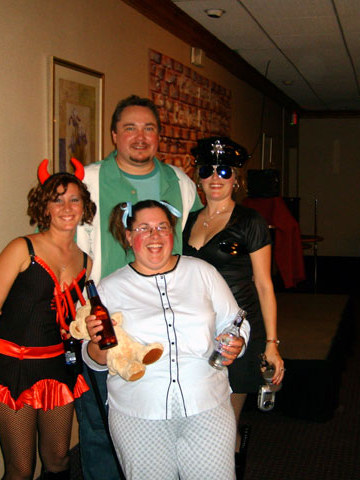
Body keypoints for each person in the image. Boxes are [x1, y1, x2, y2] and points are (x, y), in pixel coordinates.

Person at [74, 95, 202, 479]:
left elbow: (199, 239)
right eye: (129, 128)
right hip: (106, 326)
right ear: (114, 135)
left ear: (159, 136)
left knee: (166, 428)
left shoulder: (181, 184)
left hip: (167, 330)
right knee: (100, 432)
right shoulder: (88, 182)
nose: (140, 136)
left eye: (149, 128)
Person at [82, 200, 249, 480]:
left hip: (207, 406)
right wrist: (98, 345)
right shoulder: (109, 289)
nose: (155, 235)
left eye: (162, 227)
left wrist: (237, 343)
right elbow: (95, 361)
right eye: (143, 228)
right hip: (139, 415)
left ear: (172, 232)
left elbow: (236, 321)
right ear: (128, 236)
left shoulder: (202, 272)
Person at [0, 159, 96, 480]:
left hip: (57, 368)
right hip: (13, 369)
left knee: (58, 459)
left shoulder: (86, 262)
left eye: (74, 199)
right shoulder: (22, 248)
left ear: (84, 206)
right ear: (45, 207)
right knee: (21, 469)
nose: (66, 207)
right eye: (57, 200)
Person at [181, 136, 284, 477]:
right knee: (202, 418)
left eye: (224, 170)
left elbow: (264, 285)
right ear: (198, 176)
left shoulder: (250, 221)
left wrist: (271, 345)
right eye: (207, 169)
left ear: (236, 178)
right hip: (198, 333)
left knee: (222, 423)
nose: (215, 177)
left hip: (240, 333)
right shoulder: (187, 222)